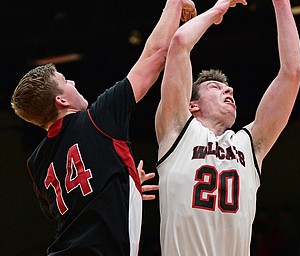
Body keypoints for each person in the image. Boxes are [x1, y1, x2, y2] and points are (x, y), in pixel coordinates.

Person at [10, 0, 196, 255]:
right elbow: (157, 53)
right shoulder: (99, 118)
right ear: (61, 100)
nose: (73, 81)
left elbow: (77, 208)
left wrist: (122, 186)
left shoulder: (36, 164)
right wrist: (174, 4)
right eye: (65, 81)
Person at [155, 0, 300, 255]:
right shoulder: (177, 131)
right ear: (192, 106)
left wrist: (281, 3)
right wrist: (218, 9)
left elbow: (293, 73)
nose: (229, 90)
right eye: (215, 87)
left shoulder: (249, 144)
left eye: (228, 88)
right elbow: (179, 44)